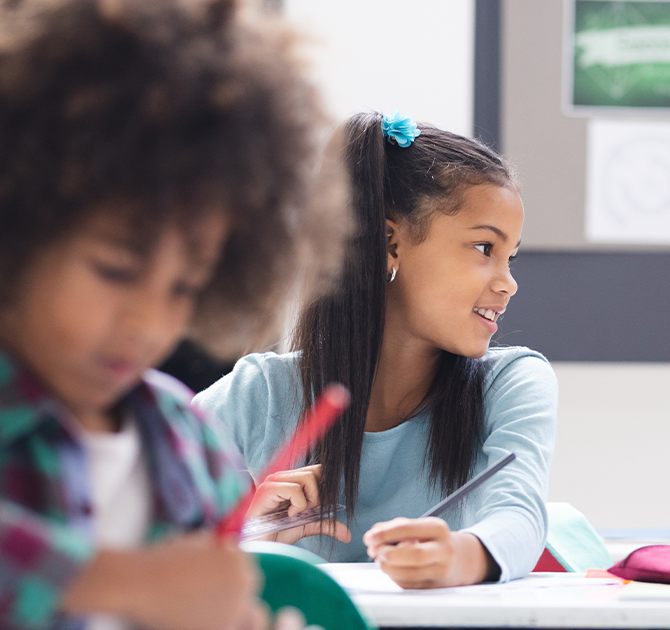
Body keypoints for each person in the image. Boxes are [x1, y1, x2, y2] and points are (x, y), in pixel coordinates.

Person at [0, 0, 348, 628]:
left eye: (184, 288)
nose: (147, 325)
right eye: (114, 270)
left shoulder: (189, 445)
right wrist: (123, 582)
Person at [194, 111, 557, 589]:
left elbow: (520, 515)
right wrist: (245, 530)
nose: (508, 283)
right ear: (390, 242)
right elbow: (136, 532)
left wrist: (459, 557)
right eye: (484, 248)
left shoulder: (512, 382)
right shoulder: (256, 393)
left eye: (510, 257)